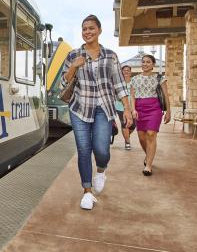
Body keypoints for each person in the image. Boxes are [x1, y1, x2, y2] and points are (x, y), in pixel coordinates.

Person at [62, 15, 133, 210]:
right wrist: (74, 66)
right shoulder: (73, 55)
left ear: (99, 30)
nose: (87, 32)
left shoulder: (110, 56)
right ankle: (87, 191)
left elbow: (119, 83)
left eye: (91, 28)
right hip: (79, 108)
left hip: (104, 107)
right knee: (84, 150)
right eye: (84, 29)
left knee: (101, 150)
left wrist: (126, 108)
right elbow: (64, 81)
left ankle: (101, 171)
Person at [130, 54, 171, 176]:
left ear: (153, 65)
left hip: (154, 108)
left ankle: (148, 165)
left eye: (148, 62)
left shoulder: (160, 78)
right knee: (142, 138)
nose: (145, 64)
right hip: (139, 108)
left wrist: (169, 111)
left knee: (151, 134)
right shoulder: (135, 79)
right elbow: (132, 96)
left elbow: (165, 95)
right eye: (143, 62)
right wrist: (133, 109)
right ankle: (148, 156)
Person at [115, 65, 136, 150]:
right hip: (120, 106)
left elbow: (134, 95)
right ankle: (127, 142)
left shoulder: (133, 82)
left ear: (130, 72)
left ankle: (126, 135)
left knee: (133, 125)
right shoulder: (119, 83)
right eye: (124, 70)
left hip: (132, 106)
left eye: (128, 70)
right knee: (125, 124)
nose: (126, 72)